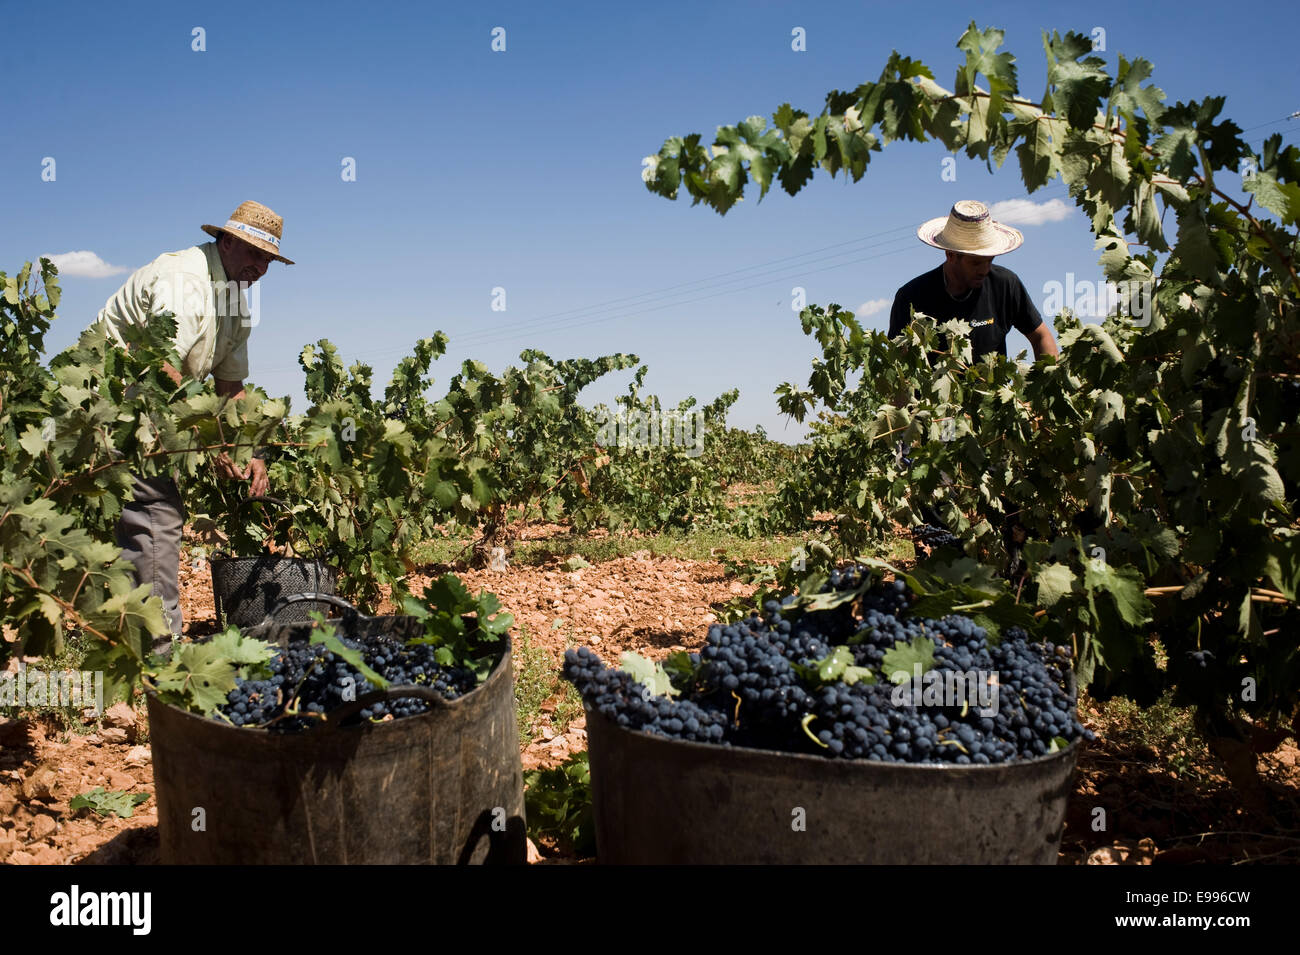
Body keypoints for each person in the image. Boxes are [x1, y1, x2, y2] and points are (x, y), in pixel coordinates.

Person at [94, 200, 293, 650]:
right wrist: (209, 439)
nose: (261, 267)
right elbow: (161, 367)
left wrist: (251, 450)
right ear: (226, 240)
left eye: (268, 259)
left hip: (157, 413)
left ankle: (132, 633)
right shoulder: (185, 282)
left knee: (146, 519)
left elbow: (232, 388)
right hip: (117, 407)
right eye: (253, 253)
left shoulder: (236, 306)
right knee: (157, 515)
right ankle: (159, 653)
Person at [888, 199, 1059, 361]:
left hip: (992, 392)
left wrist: (1049, 383)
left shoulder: (1006, 284)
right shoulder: (912, 297)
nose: (985, 270)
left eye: (990, 260)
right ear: (951, 255)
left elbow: (1041, 337)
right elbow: (898, 365)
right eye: (976, 262)